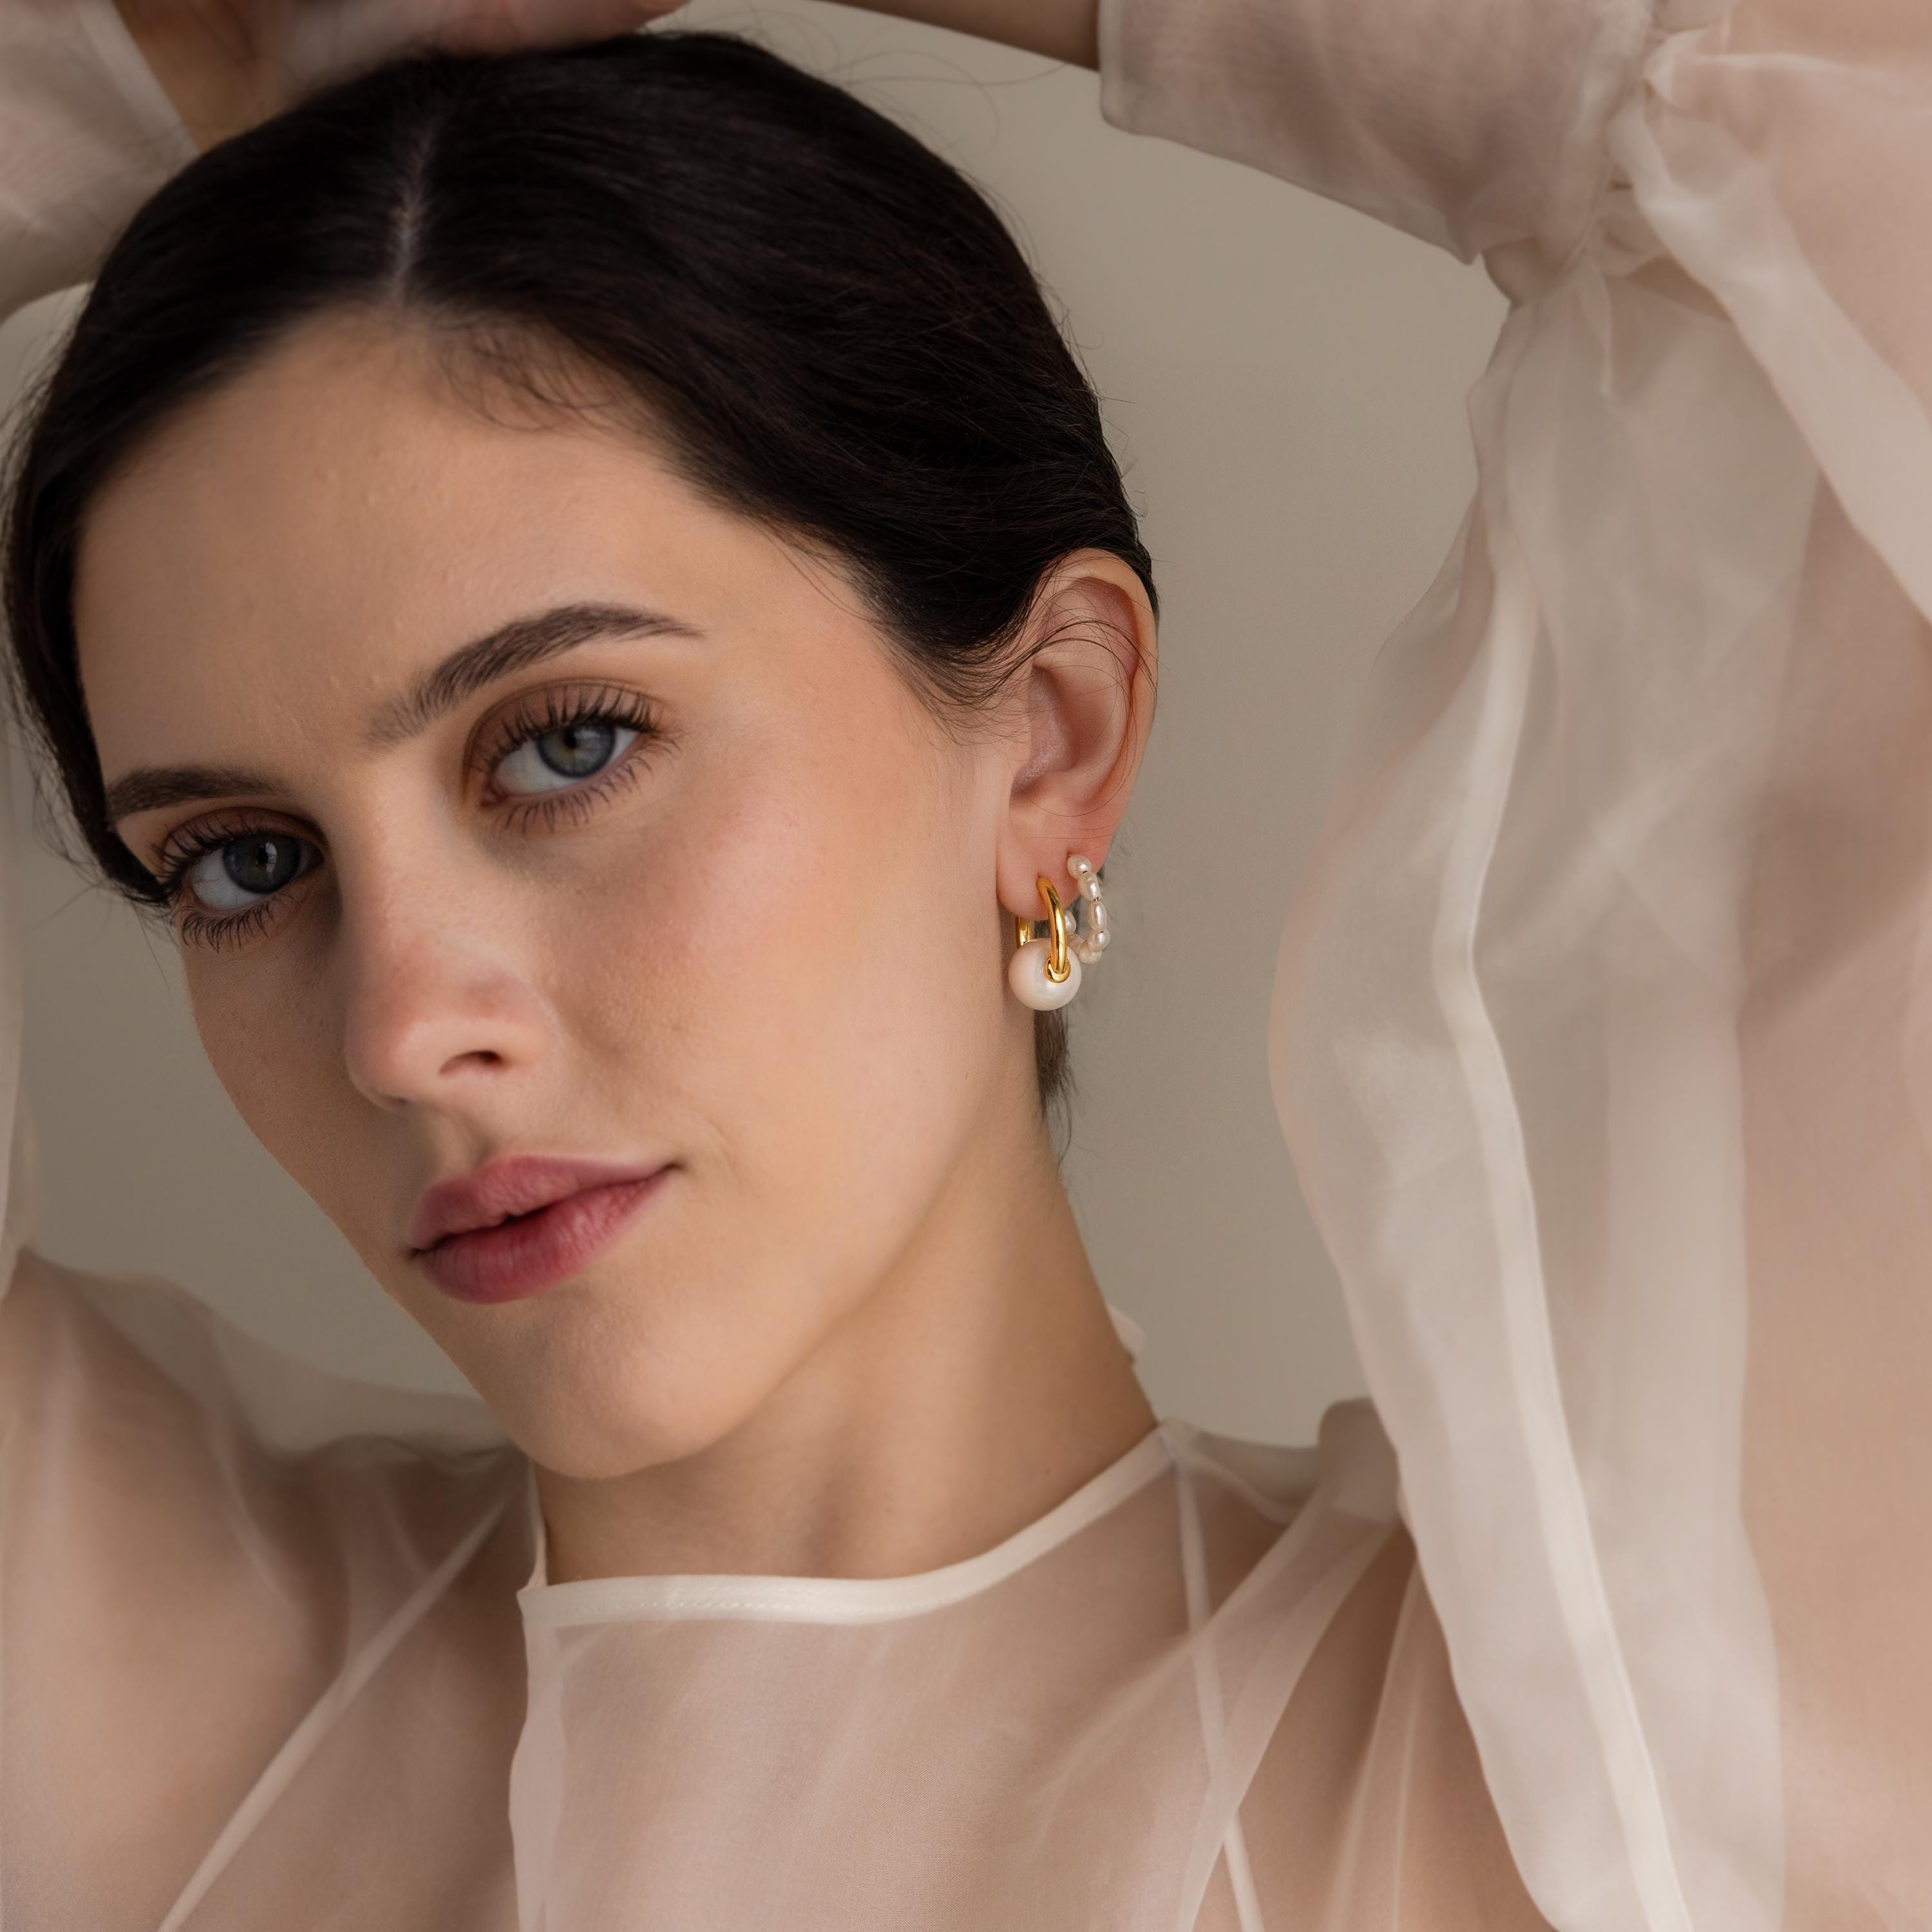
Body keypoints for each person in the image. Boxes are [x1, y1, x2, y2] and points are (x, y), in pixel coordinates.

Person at [0, 1, 1925, 1927]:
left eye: (568, 744)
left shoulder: (1612, 1758)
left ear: (1053, 735)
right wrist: (201, 53)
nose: (404, 1029)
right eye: (243, 862)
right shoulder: (131, 1701)